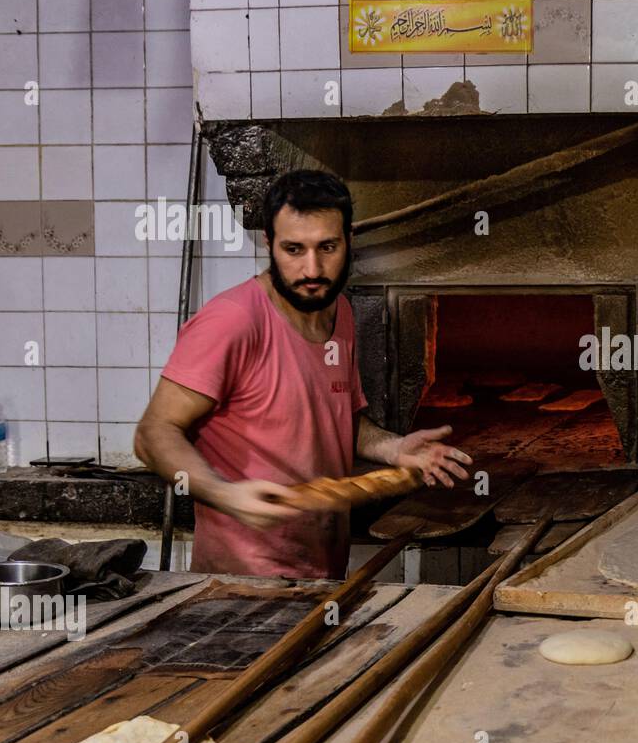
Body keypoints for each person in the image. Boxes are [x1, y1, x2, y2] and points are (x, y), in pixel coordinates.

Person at [135, 169, 471, 579]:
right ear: (269, 245)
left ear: (349, 240)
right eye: (294, 250)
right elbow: (153, 434)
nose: (312, 270)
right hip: (244, 583)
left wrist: (395, 449)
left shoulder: (339, 311)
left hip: (322, 572)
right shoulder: (234, 321)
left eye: (327, 247)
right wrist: (225, 494)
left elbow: (335, 421)